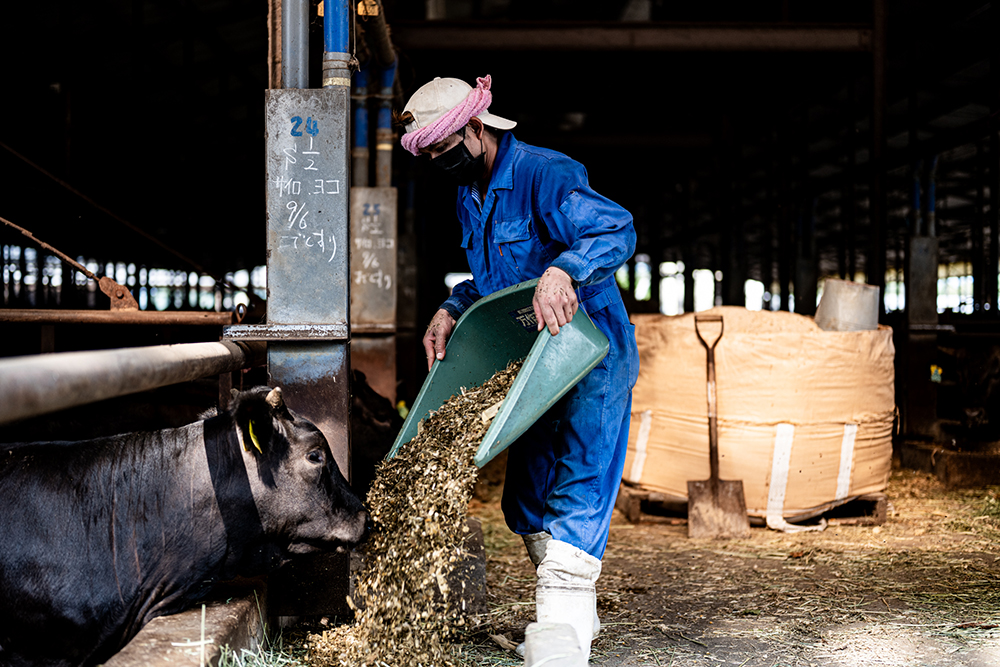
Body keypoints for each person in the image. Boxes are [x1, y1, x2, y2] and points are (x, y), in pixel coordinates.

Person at [398, 74, 639, 660]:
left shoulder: (544, 173)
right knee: (524, 498)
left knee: (580, 475)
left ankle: (563, 622)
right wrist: (453, 307)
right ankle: (567, 600)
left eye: (440, 149)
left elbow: (616, 228)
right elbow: (491, 278)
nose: (437, 162)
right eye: (426, 155)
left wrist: (566, 269)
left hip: (587, 347)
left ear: (475, 129)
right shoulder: (470, 193)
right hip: (532, 357)